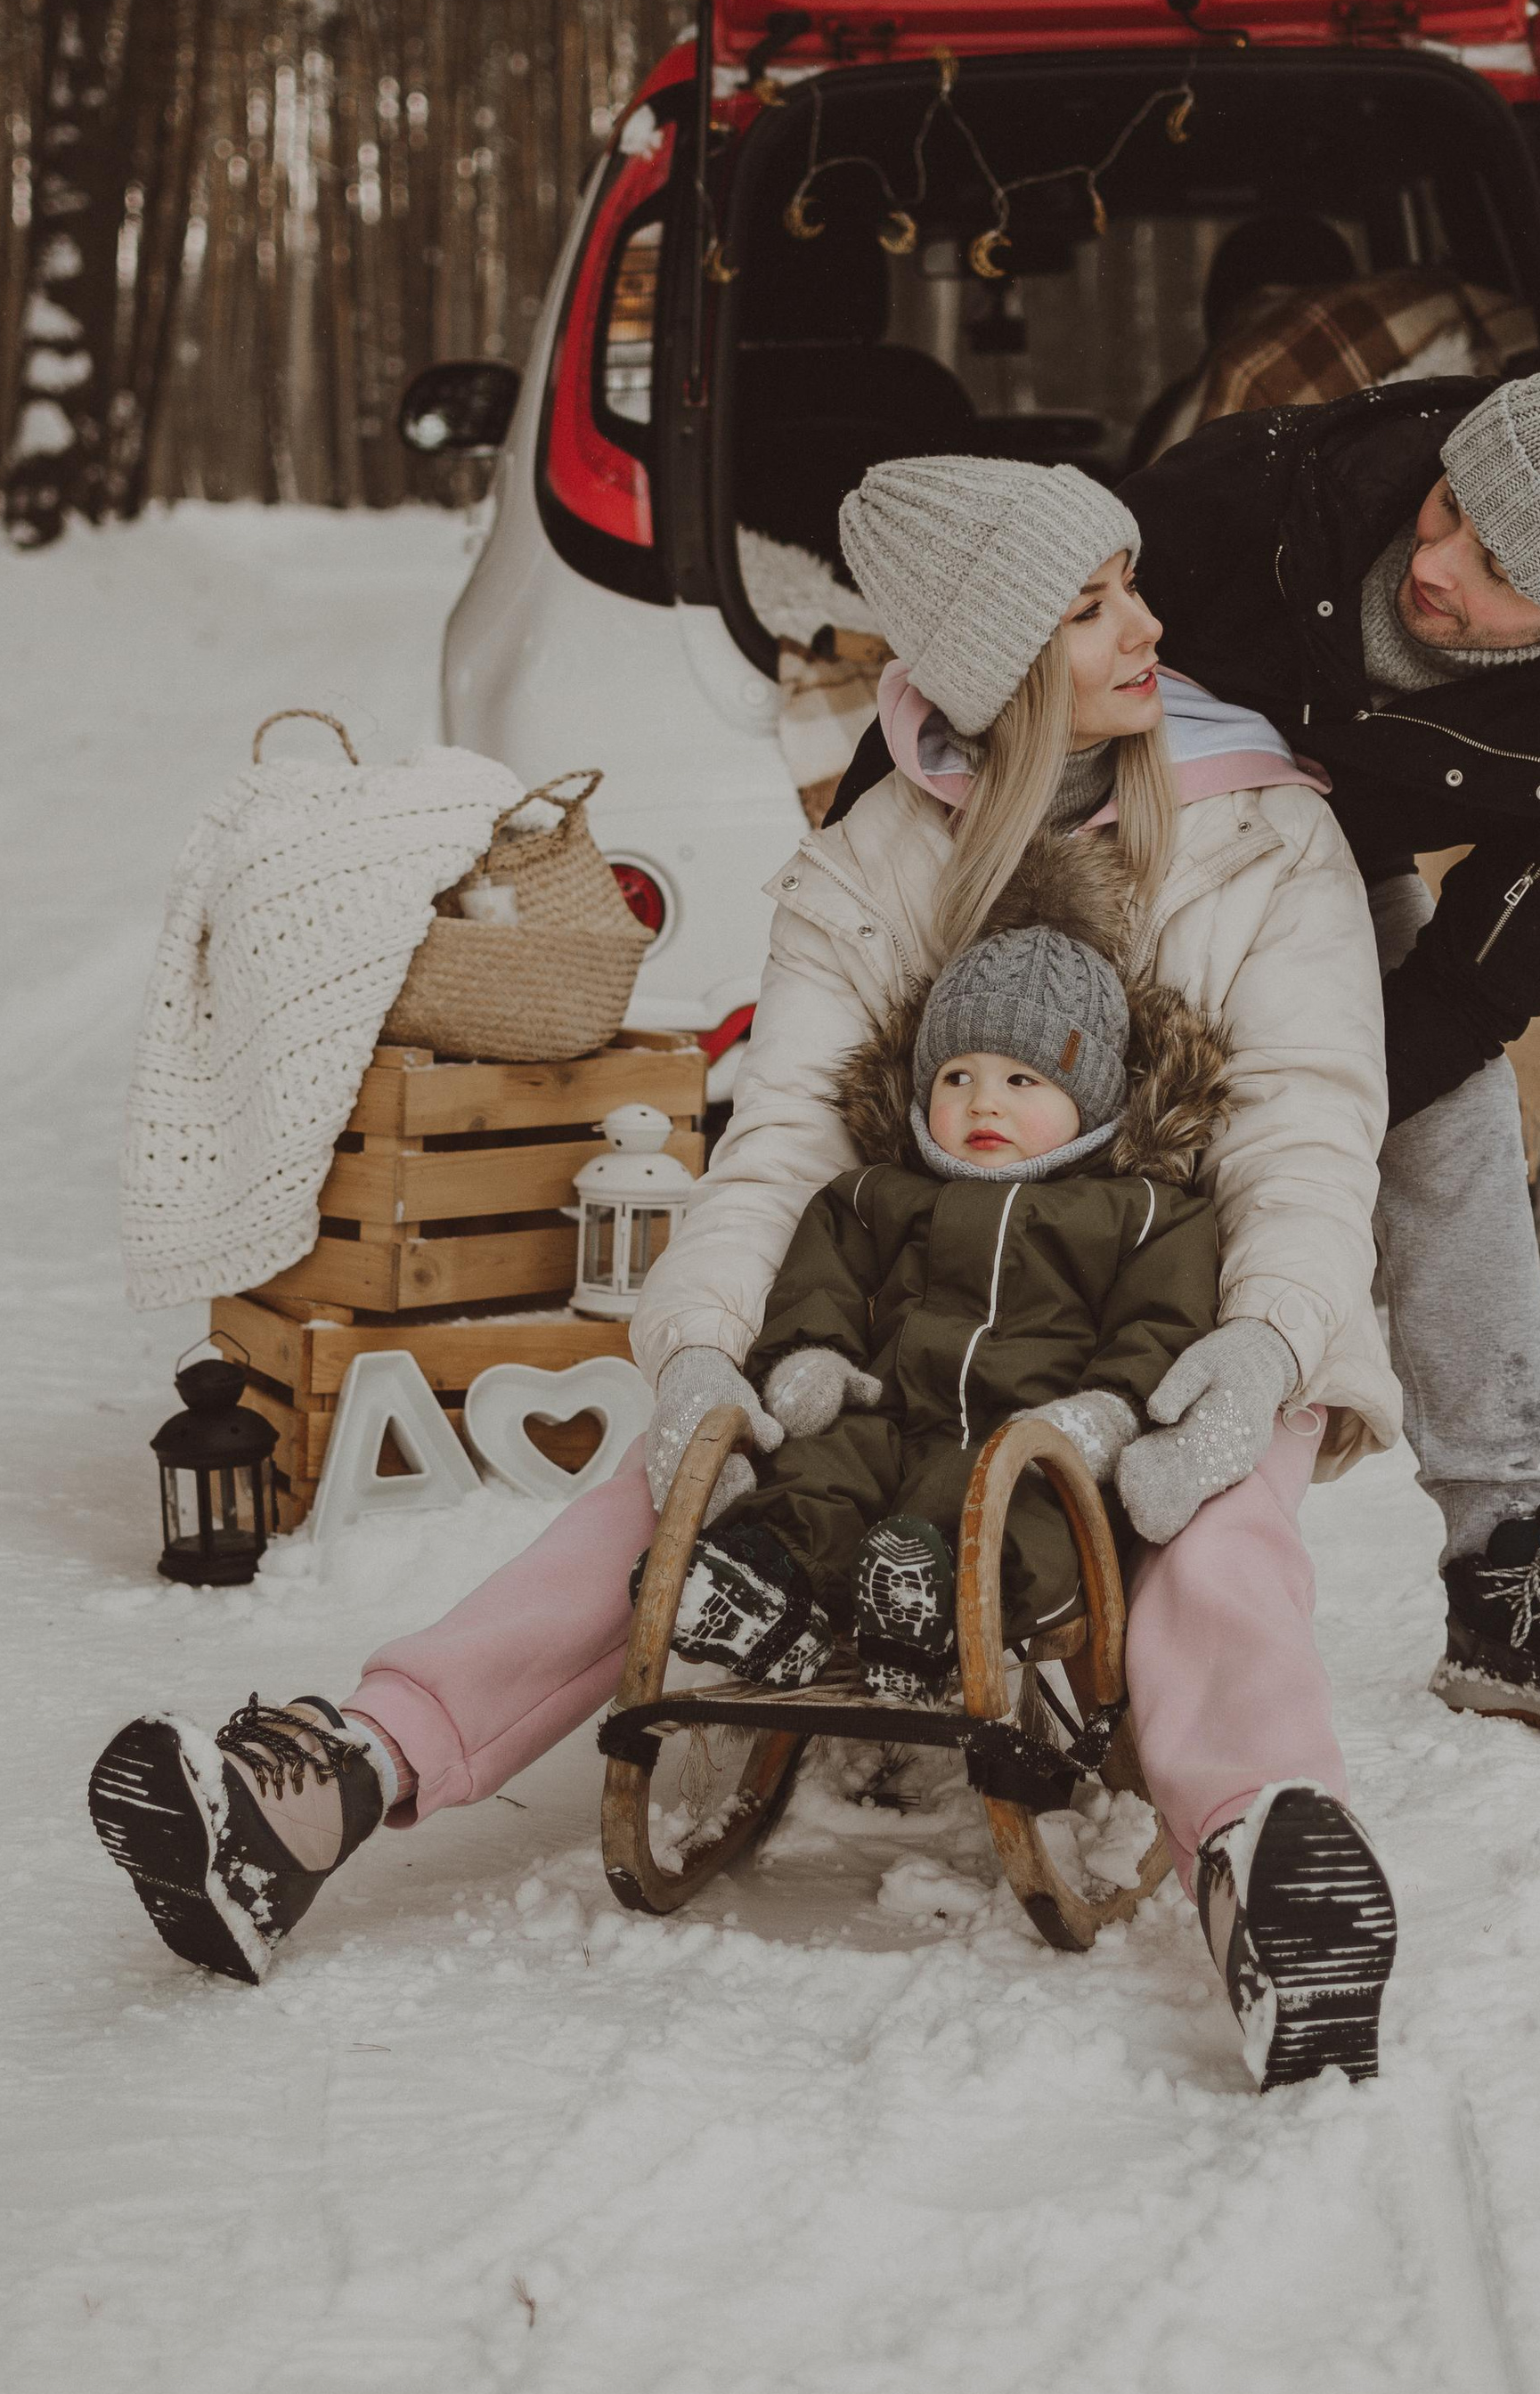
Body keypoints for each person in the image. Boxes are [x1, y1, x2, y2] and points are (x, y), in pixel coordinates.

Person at [90, 454, 1405, 2092]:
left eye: (1128, 586)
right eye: (1091, 609)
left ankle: (1272, 1865)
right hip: (912, 1318)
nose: (1148, 628)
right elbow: (782, 1139)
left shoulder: (1262, 833)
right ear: (995, 664)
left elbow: (1308, 1124)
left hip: (1172, 1316)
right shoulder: (873, 861)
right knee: (677, 1489)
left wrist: (1267, 1340)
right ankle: (338, 1779)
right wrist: (706, 1346)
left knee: (1212, 1534)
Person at [1122, 336, 1540, 1742]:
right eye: (1452, 508)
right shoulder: (1266, 487)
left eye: (1500, 567)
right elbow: (1008, 645)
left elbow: (1473, 994)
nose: (1438, 564)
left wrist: (1303, 1113)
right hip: (1113, 828)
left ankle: (1504, 1579)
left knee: (1459, 1116)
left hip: (1324, 862)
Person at [660, 908, 1226, 1701]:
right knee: (821, 1466)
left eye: (1021, 1080)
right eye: (957, 1078)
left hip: (1033, 1433)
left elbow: (1161, 1320)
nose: (983, 1103)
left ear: (1091, 1097)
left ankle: (940, 1616)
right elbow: (822, 1278)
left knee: (1013, 1505)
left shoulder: (1141, 1213)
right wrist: (811, 1355)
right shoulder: (876, 1196)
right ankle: (768, 1591)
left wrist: (1112, 1408)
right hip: (888, 1411)